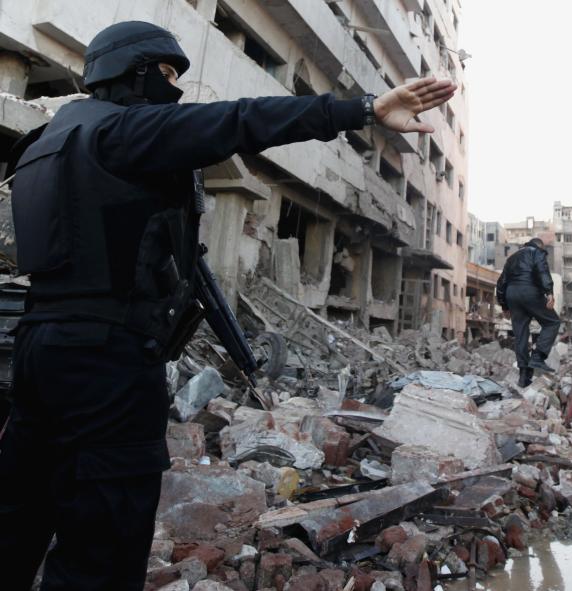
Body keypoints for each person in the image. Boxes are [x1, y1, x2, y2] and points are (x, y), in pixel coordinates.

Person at [0, 20, 454, 591]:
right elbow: (241, 120)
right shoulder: (124, 131)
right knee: (103, 535)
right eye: (166, 74)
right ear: (133, 73)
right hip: (107, 359)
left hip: (41, 347)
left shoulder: (46, 141)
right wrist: (360, 109)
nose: (174, 87)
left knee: (19, 511)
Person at [496, 238, 562, 387]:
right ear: (539, 247)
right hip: (530, 291)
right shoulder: (536, 253)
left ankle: (524, 376)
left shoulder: (511, 258)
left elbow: (501, 282)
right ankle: (538, 357)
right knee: (552, 322)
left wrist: (504, 305)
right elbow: (542, 270)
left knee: (521, 335)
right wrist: (549, 291)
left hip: (512, 295)